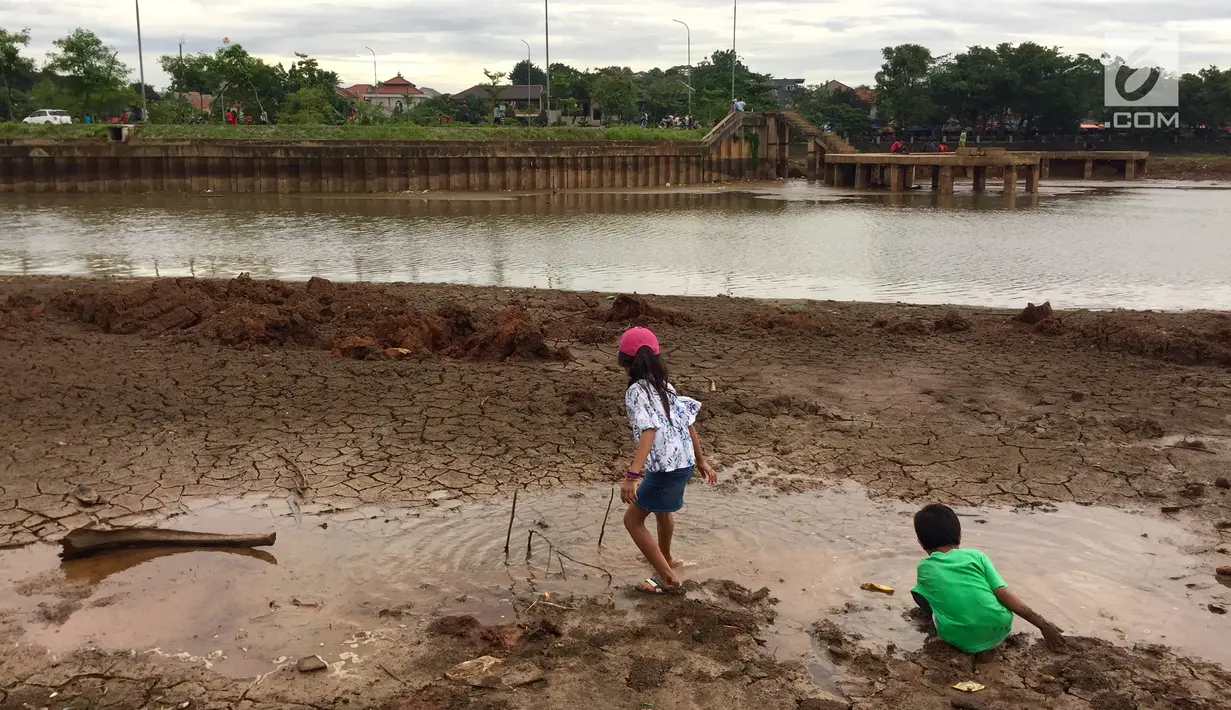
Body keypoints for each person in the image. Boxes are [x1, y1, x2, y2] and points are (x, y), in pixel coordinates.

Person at [618, 327, 717, 595]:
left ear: (624, 362)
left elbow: (648, 431)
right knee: (663, 512)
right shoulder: (666, 386)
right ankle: (667, 558)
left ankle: (669, 579)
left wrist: (632, 476)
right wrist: (700, 461)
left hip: (664, 469)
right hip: (681, 464)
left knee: (632, 521)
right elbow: (688, 424)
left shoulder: (636, 392)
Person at [912, 504, 1065, 655]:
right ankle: (985, 637)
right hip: (1000, 629)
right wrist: (1042, 625)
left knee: (918, 592)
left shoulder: (924, 567)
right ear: (959, 535)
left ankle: (950, 632)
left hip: (958, 639)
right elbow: (1002, 593)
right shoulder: (977, 556)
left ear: (921, 542)